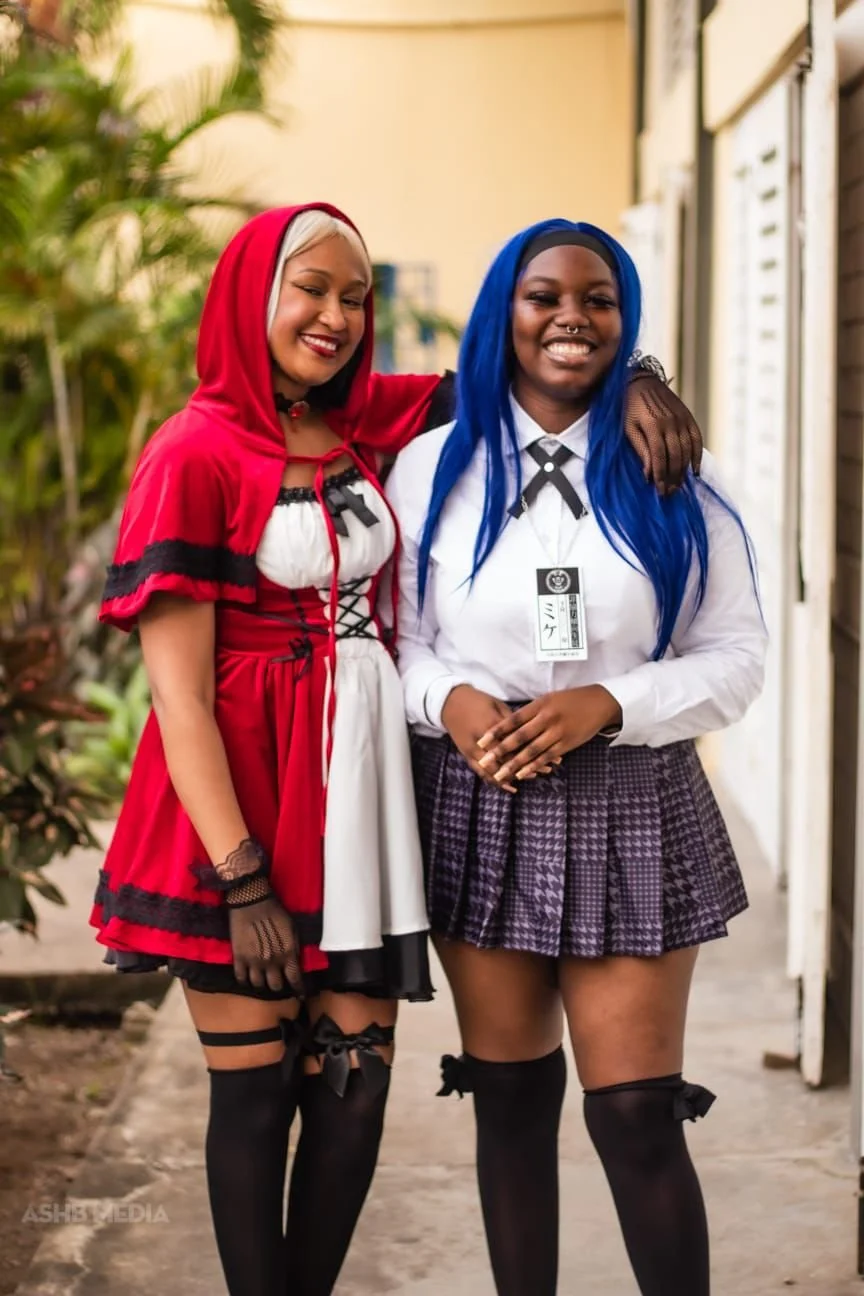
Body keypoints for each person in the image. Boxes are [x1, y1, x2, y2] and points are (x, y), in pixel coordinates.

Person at [90, 202, 706, 1296]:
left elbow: (534, 364)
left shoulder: (368, 423)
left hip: (359, 813)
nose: (333, 315)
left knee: (352, 1093)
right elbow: (178, 699)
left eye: (353, 295)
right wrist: (241, 884)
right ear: (252, 298)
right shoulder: (194, 452)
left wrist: (641, 373)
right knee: (255, 1096)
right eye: (308, 289)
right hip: (243, 807)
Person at [386, 219, 767, 1296]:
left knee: (636, 1113)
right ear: (504, 313)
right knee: (509, 1104)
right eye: (543, 295)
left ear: (626, 317)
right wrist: (447, 699)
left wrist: (612, 700)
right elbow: (395, 640)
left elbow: (738, 658)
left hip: (635, 801)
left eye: (599, 299)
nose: (570, 317)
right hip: (479, 798)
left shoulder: (679, 473)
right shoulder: (430, 470)